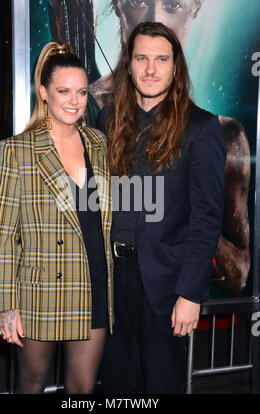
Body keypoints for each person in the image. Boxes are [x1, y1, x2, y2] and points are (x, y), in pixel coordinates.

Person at [98, 21, 226, 394]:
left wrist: (190, 295)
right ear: (129, 64)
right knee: (116, 386)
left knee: (160, 385)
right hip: (110, 282)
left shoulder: (200, 127)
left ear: (175, 67)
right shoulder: (108, 119)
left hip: (166, 287)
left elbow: (206, 220)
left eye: (161, 59)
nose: (150, 69)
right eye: (141, 58)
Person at [90, 0, 250, 296]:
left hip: (163, 292)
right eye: (138, 2)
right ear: (117, 8)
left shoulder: (214, 131)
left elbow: (238, 276)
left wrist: (181, 213)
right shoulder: (93, 114)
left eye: (174, 4)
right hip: (106, 290)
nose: (156, 18)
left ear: (197, 9)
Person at [0, 41, 113, 394]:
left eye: (81, 92)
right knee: (31, 384)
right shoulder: (18, 150)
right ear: (44, 93)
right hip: (40, 290)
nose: (74, 100)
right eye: (63, 91)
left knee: (82, 389)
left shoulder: (98, 142)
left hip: (93, 284)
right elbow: (3, 237)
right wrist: (6, 307)